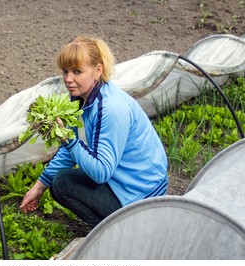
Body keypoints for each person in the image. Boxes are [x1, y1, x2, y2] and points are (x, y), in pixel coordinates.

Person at [20, 35, 168, 227]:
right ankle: (114, 228)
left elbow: (101, 172)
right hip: (126, 182)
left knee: (63, 184)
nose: (68, 79)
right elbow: (69, 148)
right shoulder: (81, 98)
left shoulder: (111, 109)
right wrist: (39, 187)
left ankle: (119, 231)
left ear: (98, 70)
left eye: (77, 71)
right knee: (58, 182)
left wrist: (68, 139)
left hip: (143, 194)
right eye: (65, 71)